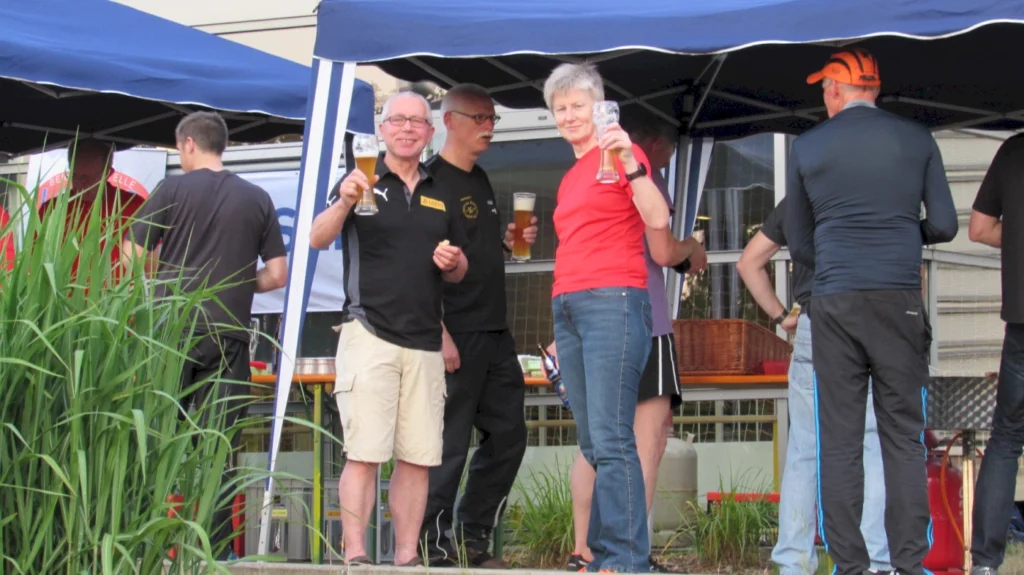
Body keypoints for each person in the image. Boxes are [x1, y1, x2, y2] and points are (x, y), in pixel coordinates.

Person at [785, 49, 958, 575]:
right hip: (897, 300)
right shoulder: (917, 139)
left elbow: (798, 239)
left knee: (837, 440)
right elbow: (946, 224)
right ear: (874, 89)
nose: (823, 97)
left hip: (834, 302)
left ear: (837, 90)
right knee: (902, 436)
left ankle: (851, 565)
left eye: (823, 89)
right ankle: (908, 564)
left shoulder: (808, 145)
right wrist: (905, 230)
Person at [309, 91, 469, 568]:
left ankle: (405, 556)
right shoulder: (360, 177)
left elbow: (459, 270)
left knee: (418, 457)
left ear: (430, 131)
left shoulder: (442, 187)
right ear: (382, 130)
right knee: (363, 452)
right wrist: (344, 200)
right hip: (368, 331)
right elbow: (317, 238)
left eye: (416, 121)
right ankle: (356, 554)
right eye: (397, 119)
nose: (406, 128)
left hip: (424, 341)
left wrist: (455, 261)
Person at [122, 111, 289, 558]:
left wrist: (167, 281)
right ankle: (214, 553)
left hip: (172, 335)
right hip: (229, 336)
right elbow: (277, 275)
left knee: (155, 440)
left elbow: (132, 255)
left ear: (189, 144)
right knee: (218, 449)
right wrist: (236, 282)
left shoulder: (172, 189)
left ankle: (146, 543)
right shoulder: (256, 198)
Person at [564, 112, 707, 572]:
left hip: (586, 306)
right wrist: (694, 249)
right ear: (659, 142)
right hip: (642, 316)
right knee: (644, 439)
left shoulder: (581, 175)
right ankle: (629, 551)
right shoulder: (641, 170)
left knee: (599, 440)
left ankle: (584, 547)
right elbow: (663, 251)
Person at [543, 62, 670, 573]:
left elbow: (658, 219)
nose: (570, 115)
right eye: (561, 108)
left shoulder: (622, 153)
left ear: (599, 108)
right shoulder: (572, 174)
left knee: (615, 437)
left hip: (614, 298)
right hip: (568, 303)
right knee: (594, 441)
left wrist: (630, 163)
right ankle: (600, 554)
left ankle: (626, 558)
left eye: (579, 105)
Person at [737, 197, 891, 575]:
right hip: (877, 317)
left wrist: (780, 316)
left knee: (806, 447)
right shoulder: (878, 185)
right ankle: (872, 561)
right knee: (873, 441)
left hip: (816, 319)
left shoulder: (804, 194)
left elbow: (748, 262)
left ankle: (794, 561)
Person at [420, 84, 537, 569]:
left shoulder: (481, 179)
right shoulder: (427, 183)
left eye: (493, 118)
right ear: (449, 121)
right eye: (480, 117)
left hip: (494, 330)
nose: (489, 126)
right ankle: (432, 547)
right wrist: (440, 331)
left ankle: (473, 538)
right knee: (447, 446)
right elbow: (420, 267)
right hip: (455, 333)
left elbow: (474, 251)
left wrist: (508, 241)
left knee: (509, 435)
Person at [967, 132, 1024, 575]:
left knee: (1005, 440)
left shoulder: (1014, 149)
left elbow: (981, 227)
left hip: (1022, 323)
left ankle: (986, 563)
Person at [42, 140, 146, 281]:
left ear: (108, 173)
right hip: (63, 300)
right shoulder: (52, 210)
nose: (83, 184)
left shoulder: (135, 206)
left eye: (90, 177)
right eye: (76, 176)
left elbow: (151, 261)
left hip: (119, 301)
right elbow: (35, 261)